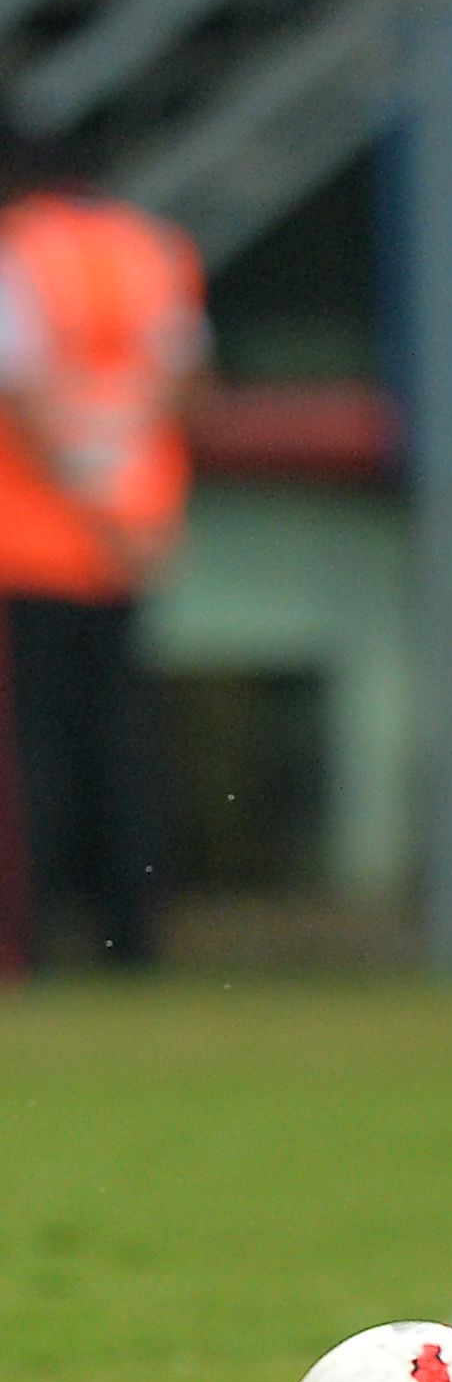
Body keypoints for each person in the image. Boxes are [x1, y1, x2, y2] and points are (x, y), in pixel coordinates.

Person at [0, 143, 210, 970]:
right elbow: (186, 380)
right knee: (122, 744)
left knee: (36, 749)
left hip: (32, 546)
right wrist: (126, 508)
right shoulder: (153, 247)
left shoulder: (19, 248)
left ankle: (33, 938)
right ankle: (134, 939)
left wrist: (86, 498)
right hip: (137, 536)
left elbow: (20, 394)